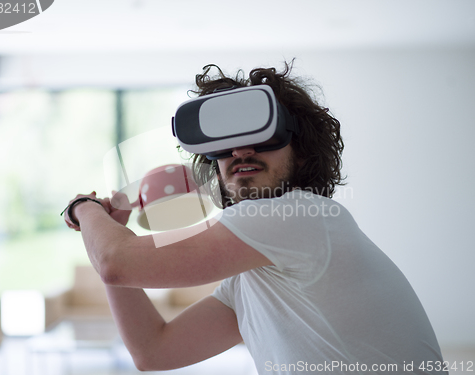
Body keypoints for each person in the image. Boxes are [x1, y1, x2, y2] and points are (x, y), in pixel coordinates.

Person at [63, 63, 446, 374]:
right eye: (225, 143)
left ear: (302, 149)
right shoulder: (252, 278)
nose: (242, 151)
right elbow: (154, 351)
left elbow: (117, 262)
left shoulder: (300, 215)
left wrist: (84, 208)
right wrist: (115, 228)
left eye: (264, 136)